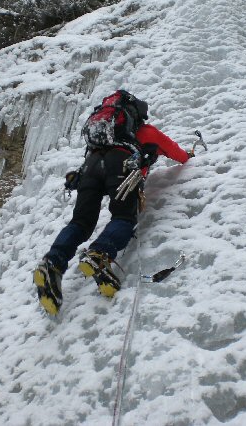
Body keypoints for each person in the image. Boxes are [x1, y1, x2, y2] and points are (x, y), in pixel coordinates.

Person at [34, 90, 192, 315]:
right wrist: (189, 156)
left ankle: (53, 262)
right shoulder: (145, 132)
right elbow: (177, 153)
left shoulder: (101, 140)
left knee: (81, 222)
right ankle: (100, 254)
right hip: (122, 165)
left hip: (90, 167)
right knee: (123, 217)